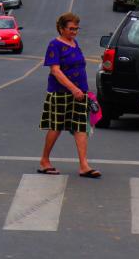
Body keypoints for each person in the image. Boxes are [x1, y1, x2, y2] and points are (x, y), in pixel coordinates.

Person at [38, 12, 101, 178]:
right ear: (61, 28)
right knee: (56, 127)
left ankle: (84, 165)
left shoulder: (74, 43)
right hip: (61, 93)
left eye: (76, 29)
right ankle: (44, 161)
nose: (74, 32)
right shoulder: (55, 45)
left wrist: (83, 91)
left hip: (80, 93)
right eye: (71, 29)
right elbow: (55, 71)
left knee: (80, 127)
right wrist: (73, 89)